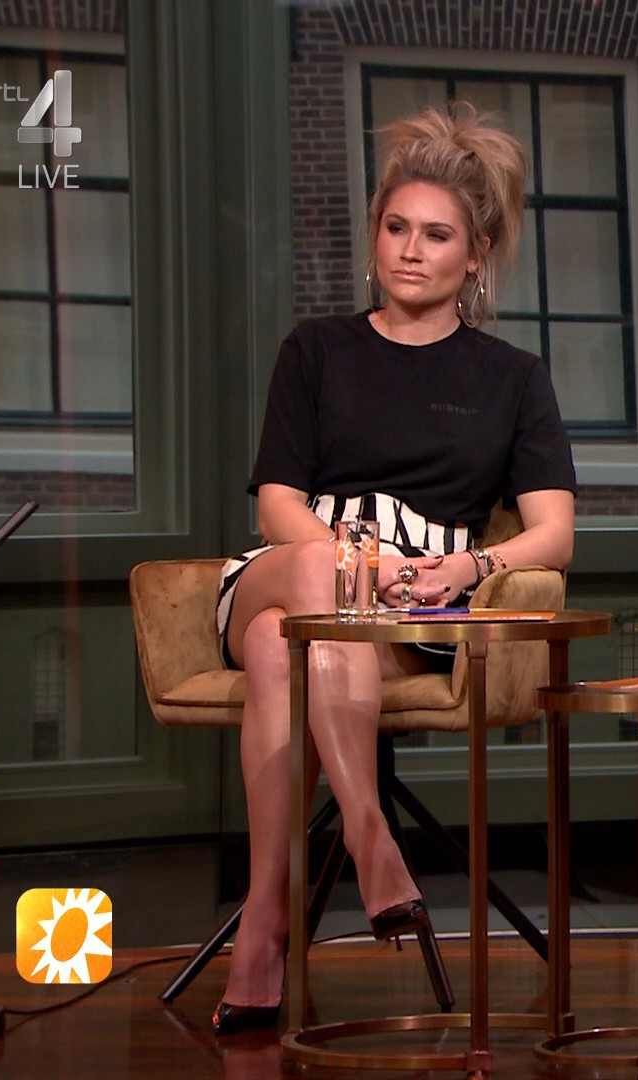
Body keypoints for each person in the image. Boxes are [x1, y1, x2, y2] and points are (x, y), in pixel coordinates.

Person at [209, 104, 577, 1034]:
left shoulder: (513, 378)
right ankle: (371, 836)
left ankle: (263, 923)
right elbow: (277, 503)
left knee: (282, 645)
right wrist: (347, 564)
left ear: (476, 253)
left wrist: (469, 566)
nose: (411, 251)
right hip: (294, 563)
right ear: (375, 234)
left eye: (437, 235)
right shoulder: (316, 349)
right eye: (396, 227)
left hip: (412, 604)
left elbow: (554, 536)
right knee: (304, 588)